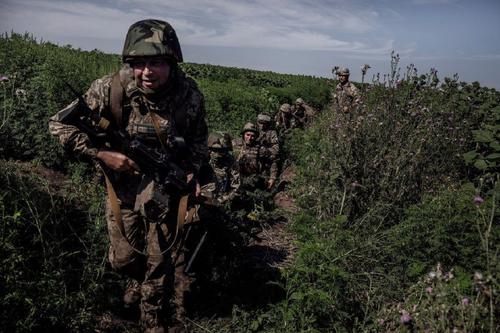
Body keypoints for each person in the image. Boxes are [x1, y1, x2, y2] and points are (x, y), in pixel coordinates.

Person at [49, 19, 208, 333]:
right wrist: (100, 154)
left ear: (172, 62)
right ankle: (138, 281)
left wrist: (191, 169)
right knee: (122, 259)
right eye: (139, 63)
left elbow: (200, 141)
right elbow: (58, 124)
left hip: (164, 186)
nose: (147, 71)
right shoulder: (112, 87)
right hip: (121, 187)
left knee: (159, 258)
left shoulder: (188, 96)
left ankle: (152, 319)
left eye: (157, 63)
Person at [200, 132, 239, 204]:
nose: (217, 154)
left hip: (221, 199)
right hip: (200, 197)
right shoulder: (202, 158)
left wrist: (223, 200)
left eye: (221, 151)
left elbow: (236, 186)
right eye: (214, 150)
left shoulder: (230, 161)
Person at [256, 114, 279, 189]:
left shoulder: (271, 133)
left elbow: (275, 150)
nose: (262, 125)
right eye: (260, 122)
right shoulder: (253, 131)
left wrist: (265, 150)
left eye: (264, 123)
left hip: (264, 160)